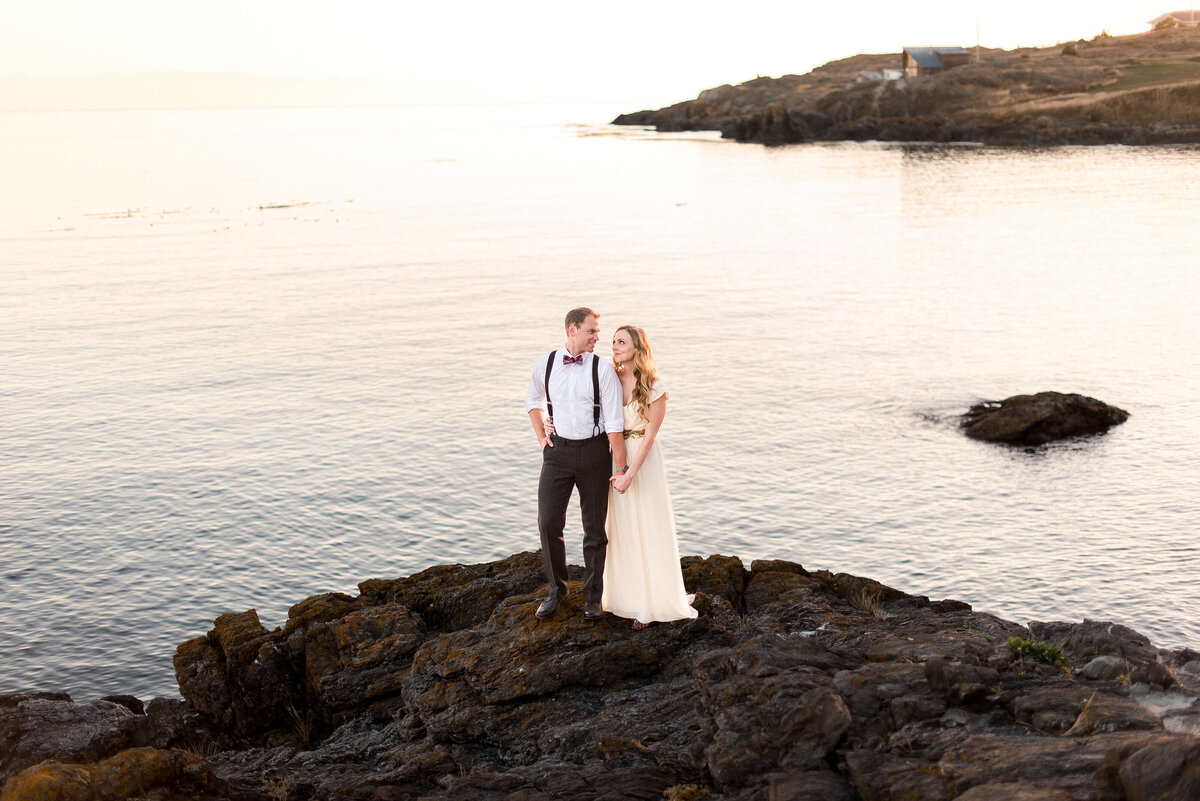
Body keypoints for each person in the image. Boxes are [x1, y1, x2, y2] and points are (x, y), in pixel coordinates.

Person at [546, 325, 696, 630]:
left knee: (647, 524)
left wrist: (629, 472)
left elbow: (651, 436)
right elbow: (580, 404)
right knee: (619, 528)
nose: (613, 346)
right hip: (611, 456)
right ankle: (624, 596)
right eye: (613, 341)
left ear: (638, 348)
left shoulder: (654, 385)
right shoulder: (609, 378)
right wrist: (551, 421)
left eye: (621, 342)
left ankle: (652, 602)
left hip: (642, 459)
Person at [526, 308, 628, 620]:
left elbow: (614, 424)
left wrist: (621, 468)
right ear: (573, 329)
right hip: (558, 453)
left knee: (595, 529)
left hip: (596, 452)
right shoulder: (545, 364)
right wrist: (543, 440)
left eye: (598, 332)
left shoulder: (603, 370)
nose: (598, 338)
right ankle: (557, 591)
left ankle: (593, 598)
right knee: (548, 523)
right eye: (592, 331)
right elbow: (533, 402)